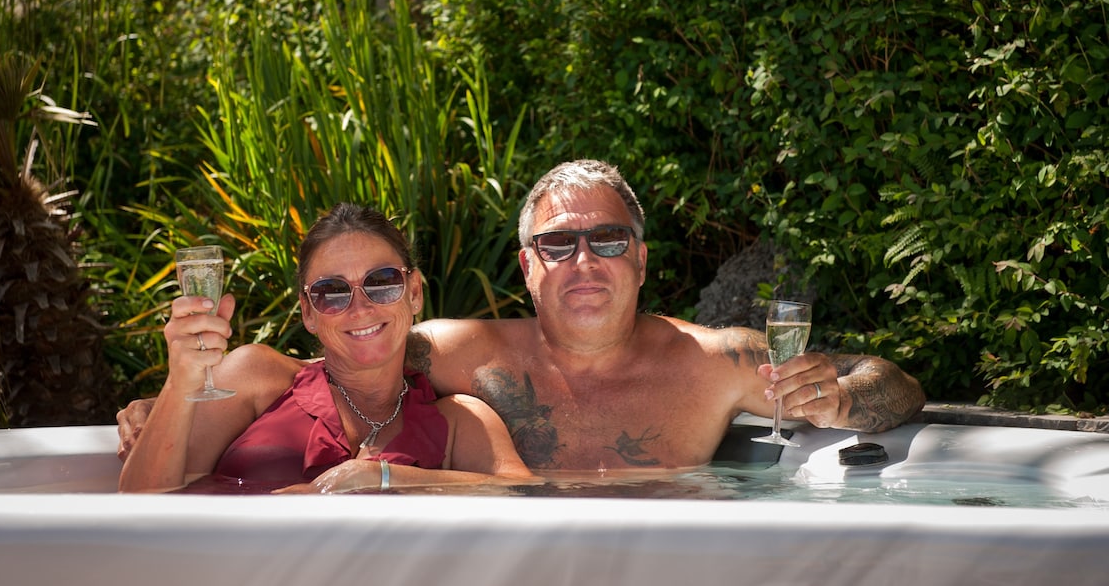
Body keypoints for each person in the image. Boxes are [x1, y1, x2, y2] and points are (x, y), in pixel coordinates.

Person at [120, 160, 925, 473]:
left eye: (608, 241)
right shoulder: (456, 352)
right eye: (558, 244)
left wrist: (850, 400)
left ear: (641, 259)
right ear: (526, 267)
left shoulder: (712, 362)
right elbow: (335, 366)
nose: (583, 262)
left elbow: (890, 381)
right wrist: (177, 406)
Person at [118, 203, 533, 493]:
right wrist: (180, 381)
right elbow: (145, 502)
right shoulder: (256, 377)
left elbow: (532, 497)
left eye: (382, 281)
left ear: (415, 292)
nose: (360, 307)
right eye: (332, 292)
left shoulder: (460, 420)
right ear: (309, 312)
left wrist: (382, 478)